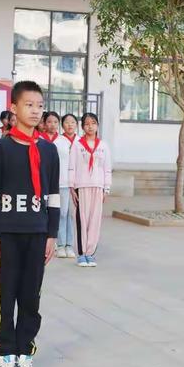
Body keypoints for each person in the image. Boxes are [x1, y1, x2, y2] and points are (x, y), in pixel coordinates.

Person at [0, 80, 60, 367]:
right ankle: (6, 357)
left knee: (31, 298)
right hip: (7, 234)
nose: (35, 110)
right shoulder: (1, 147)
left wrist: (52, 234)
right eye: (28, 104)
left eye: (39, 105)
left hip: (38, 233)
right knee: (6, 295)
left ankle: (25, 354)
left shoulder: (50, 150)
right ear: (14, 108)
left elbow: (53, 195)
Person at [69, 112, 112, 267]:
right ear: (82, 127)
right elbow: (72, 166)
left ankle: (90, 253)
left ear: (97, 125)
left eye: (93, 123)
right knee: (82, 220)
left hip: (98, 186)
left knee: (95, 221)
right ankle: (81, 253)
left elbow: (107, 168)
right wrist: (71, 187)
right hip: (81, 186)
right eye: (87, 123)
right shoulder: (77, 145)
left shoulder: (103, 146)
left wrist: (106, 188)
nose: (90, 126)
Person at [43, 112, 76, 258]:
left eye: (55, 122)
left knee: (68, 215)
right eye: (49, 122)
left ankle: (69, 244)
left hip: (69, 183)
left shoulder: (69, 142)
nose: (52, 125)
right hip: (55, 182)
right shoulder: (56, 142)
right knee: (60, 214)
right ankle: (61, 244)